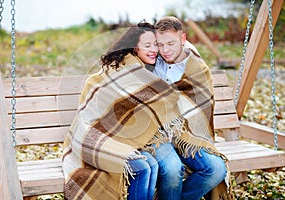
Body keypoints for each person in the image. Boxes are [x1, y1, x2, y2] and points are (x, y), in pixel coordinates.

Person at [62, 22, 184, 200]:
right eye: (147, 45)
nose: (153, 50)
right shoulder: (121, 68)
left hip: (133, 140)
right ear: (135, 48)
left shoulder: (147, 69)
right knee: (144, 166)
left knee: (149, 165)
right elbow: (96, 111)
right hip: (99, 138)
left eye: (155, 45)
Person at [153, 16, 233, 200]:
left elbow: (200, 105)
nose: (165, 50)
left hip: (187, 134)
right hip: (157, 134)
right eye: (160, 44)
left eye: (171, 43)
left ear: (183, 39)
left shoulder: (194, 66)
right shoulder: (152, 59)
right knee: (173, 170)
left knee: (216, 168)